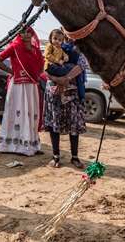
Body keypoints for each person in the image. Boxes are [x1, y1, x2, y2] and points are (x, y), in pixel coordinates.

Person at [0, 27, 45, 156]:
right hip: (18, 85)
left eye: (29, 32)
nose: (26, 34)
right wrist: (13, 72)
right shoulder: (14, 47)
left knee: (31, 114)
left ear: (32, 33)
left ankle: (31, 145)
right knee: (18, 112)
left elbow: (42, 67)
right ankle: (13, 146)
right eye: (23, 32)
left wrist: (33, 75)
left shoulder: (36, 50)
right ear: (19, 34)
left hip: (32, 86)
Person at [43, 35, 87, 169]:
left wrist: (66, 79)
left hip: (73, 91)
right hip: (54, 90)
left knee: (74, 122)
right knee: (55, 121)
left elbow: (81, 65)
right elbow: (46, 67)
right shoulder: (53, 47)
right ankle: (55, 155)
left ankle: (75, 156)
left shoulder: (80, 49)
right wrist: (56, 79)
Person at [44, 28, 76, 104]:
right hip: (51, 66)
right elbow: (47, 56)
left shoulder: (60, 48)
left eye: (59, 40)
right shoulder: (49, 46)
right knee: (65, 71)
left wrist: (66, 57)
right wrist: (58, 61)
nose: (57, 41)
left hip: (56, 67)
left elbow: (64, 55)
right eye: (55, 39)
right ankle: (66, 85)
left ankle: (63, 97)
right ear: (50, 38)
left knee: (67, 70)